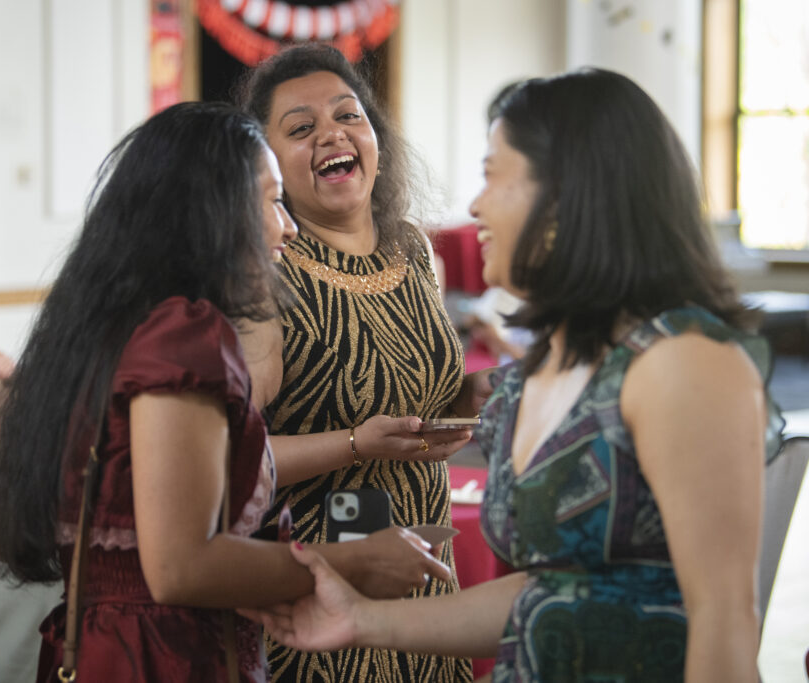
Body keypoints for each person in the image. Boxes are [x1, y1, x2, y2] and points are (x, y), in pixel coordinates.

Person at [239, 68, 785, 682]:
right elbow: (544, 596)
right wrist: (362, 620)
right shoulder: (556, 364)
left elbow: (724, 619)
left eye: (493, 174)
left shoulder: (683, 361)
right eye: (302, 127)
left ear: (566, 197)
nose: (473, 205)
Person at [0, 101, 450, 683]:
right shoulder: (182, 334)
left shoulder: (124, 323)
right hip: (159, 655)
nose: (289, 226)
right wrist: (356, 562)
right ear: (214, 213)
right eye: (273, 201)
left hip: (117, 644)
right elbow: (182, 567)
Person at [238, 43, 479, 681]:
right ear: (266, 164)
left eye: (349, 116)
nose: (331, 135)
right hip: (322, 589)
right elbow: (231, 457)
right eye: (300, 128)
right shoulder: (264, 274)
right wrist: (353, 445)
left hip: (426, 578)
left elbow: (417, 395)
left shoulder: (415, 250)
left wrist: (464, 399)